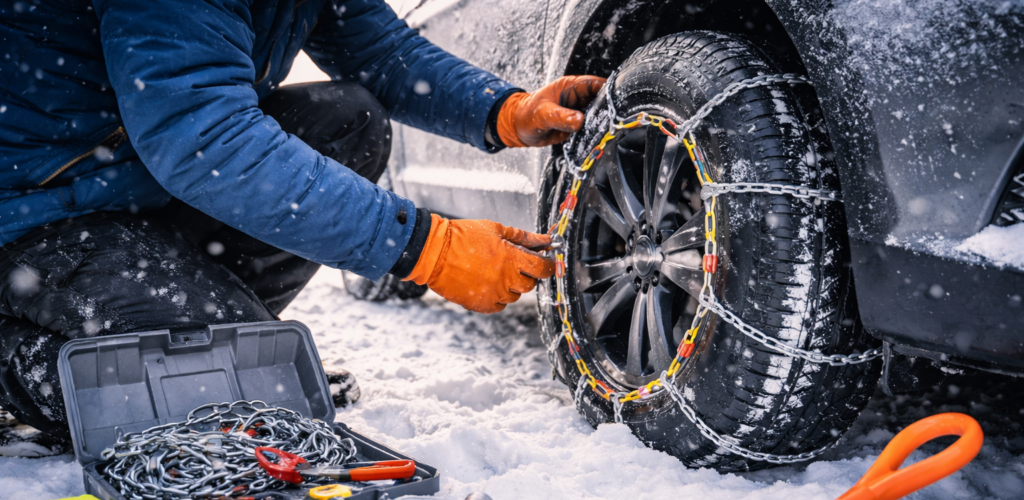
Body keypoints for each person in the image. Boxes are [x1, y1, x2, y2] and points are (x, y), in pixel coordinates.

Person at [0, 0, 605, 440]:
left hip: (142, 194)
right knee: (198, 396)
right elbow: (205, 136)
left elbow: (384, 54)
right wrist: (426, 248)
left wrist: (504, 111)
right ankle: (25, 358)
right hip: (37, 215)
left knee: (348, 118)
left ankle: (213, 331)